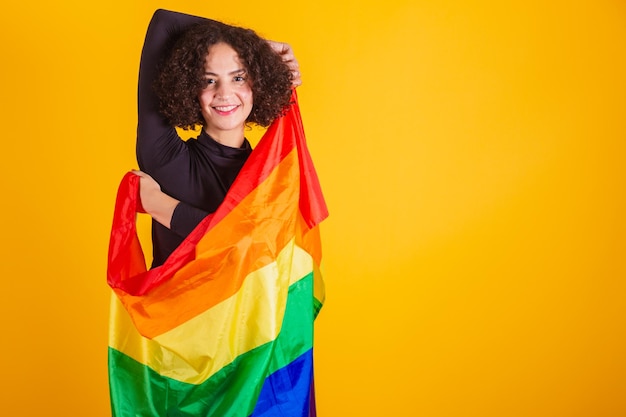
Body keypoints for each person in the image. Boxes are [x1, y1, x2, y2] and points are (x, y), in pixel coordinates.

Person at [133, 9, 301, 267]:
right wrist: (256, 46)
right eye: (209, 80)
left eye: (238, 77)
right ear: (191, 89)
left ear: (258, 83)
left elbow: (244, 247)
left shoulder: (271, 175)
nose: (224, 92)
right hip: (177, 308)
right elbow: (164, 23)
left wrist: (159, 204)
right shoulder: (165, 157)